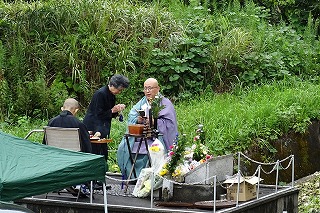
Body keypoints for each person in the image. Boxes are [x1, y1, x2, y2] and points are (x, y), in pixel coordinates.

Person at [117, 78, 178, 179]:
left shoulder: (165, 103)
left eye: (150, 88)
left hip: (157, 138)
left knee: (152, 150)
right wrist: (138, 120)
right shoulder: (142, 102)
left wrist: (155, 122)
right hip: (140, 136)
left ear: (158, 88)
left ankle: (151, 178)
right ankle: (133, 176)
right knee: (123, 148)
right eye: (145, 88)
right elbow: (132, 116)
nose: (147, 91)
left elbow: (170, 124)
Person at [83, 74, 130, 160]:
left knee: (103, 154)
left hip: (103, 127)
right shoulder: (100, 94)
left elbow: (109, 112)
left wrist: (117, 111)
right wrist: (112, 110)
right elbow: (97, 114)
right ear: (112, 85)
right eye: (119, 90)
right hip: (93, 127)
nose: (119, 92)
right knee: (95, 154)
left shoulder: (111, 95)